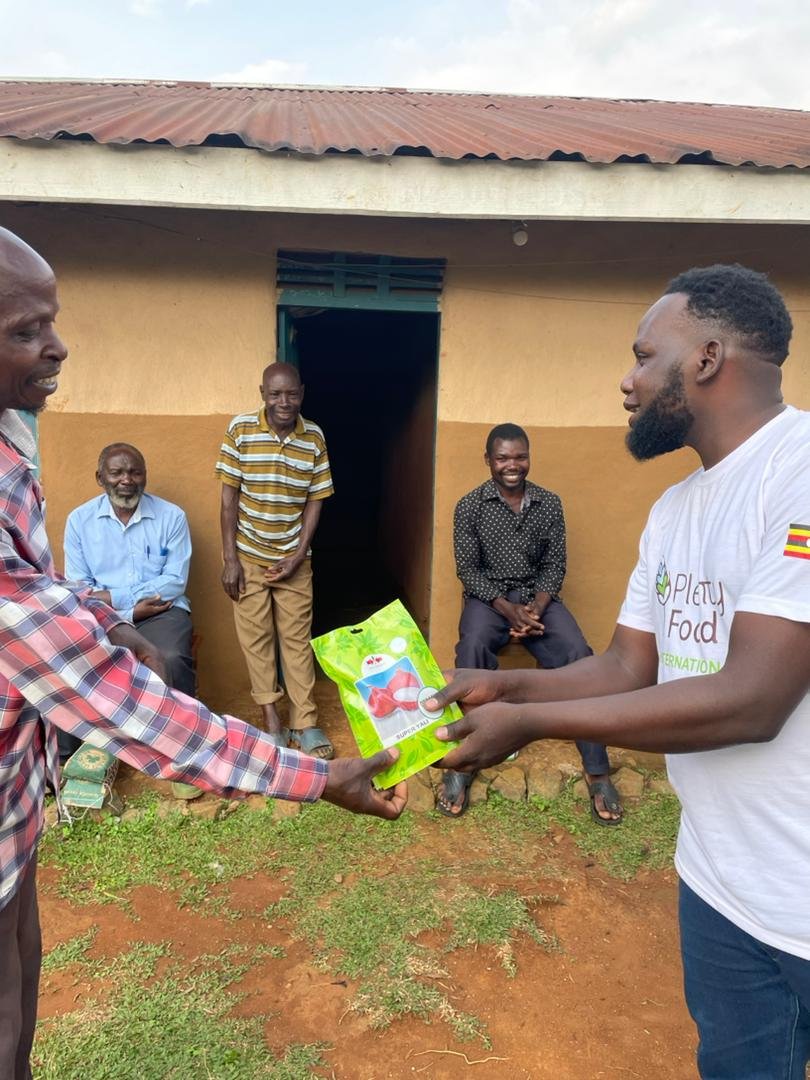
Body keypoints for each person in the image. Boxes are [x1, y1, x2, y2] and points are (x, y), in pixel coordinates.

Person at [0, 226, 407, 1080]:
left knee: (20, 989)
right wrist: (319, 780)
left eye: (53, 321)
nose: (59, 345)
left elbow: (46, 585)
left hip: (16, 822)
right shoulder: (226, 442)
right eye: (27, 329)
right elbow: (126, 704)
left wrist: (105, 619)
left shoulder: (13, 448)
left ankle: (297, 722)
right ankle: (290, 737)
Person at [430, 264, 810, 1078]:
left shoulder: (800, 472)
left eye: (643, 356)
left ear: (706, 358)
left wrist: (529, 722)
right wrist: (502, 685)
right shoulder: (675, 509)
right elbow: (626, 666)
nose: (627, 381)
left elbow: (754, 700)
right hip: (719, 885)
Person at [437, 423, 621, 823]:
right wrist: (509, 611)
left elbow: (555, 565)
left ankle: (597, 770)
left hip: (539, 600)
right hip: (490, 601)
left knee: (579, 654)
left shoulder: (549, 503)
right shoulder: (469, 506)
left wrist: (535, 609)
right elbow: (468, 571)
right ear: (488, 460)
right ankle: (464, 763)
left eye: (520, 457)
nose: (512, 465)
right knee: (471, 648)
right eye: (502, 458)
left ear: (529, 458)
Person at [62, 444, 197, 791]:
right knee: (72, 658)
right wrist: (128, 609)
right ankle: (73, 760)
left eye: (135, 472)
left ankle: (182, 752)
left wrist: (115, 598)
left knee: (170, 657)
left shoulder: (171, 517)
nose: (127, 480)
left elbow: (174, 582)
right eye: (117, 473)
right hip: (102, 616)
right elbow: (80, 590)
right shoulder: (79, 521)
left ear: (145, 476)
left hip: (162, 611)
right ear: (100, 478)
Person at [216, 362, 334, 758]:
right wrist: (230, 560)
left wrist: (299, 555)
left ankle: (306, 723)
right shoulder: (241, 430)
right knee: (257, 640)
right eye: (275, 394)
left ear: (302, 392)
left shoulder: (313, 436)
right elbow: (228, 499)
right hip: (248, 555)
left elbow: (316, 500)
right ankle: (272, 721)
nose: (284, 402)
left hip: (294, 559)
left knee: (297, 640)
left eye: (291, 394)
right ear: (262, 394)